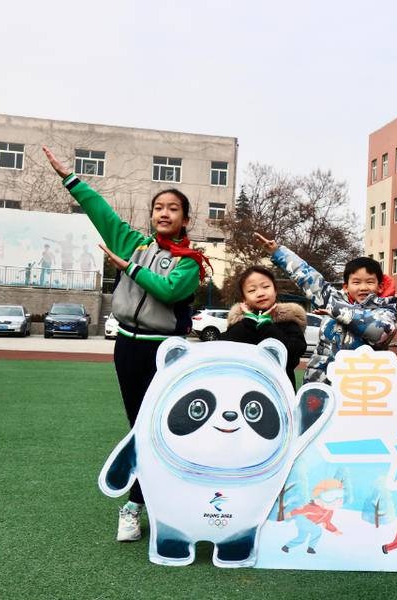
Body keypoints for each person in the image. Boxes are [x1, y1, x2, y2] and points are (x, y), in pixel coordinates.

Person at [42, 146, 209, 543]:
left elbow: (169, 292)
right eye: (158, 208)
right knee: (137, 427)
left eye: (173, 208)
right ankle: (145, 501)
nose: (164, 213)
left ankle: (140, 504)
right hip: (127, 348)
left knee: (159, 429)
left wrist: (128, 268)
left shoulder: (191, 261)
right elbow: (101, 211)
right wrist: (70, 178)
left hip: (164, 351)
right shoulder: (133, 242)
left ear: (185, 219)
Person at [254, 233, 397, 427]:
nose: (363, 287)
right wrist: (278, 252)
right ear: (346, 286)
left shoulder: (386, 310)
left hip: (361, 395)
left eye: (369, 282)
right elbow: (309, 277)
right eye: (356, 282)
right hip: (320, 388)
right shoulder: (334, 300)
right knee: (309, 436)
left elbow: (378, 332)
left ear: (380, 286)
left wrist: (335, 310)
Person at [222, 265, 307, 390]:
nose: (260, 293)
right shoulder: (239, 323)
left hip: (280, 391)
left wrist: (266, 325)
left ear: (275, 290)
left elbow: (294, 353)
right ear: (244, 298)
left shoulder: (290, 320)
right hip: (243, 389)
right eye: (252, 290)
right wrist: (249, 321)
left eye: (266, 287)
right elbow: (223, 349)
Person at [281, 479, 344, 555]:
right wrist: (290, 514)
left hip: (308, 524)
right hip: (303, 520)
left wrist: (334, 530)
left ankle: (286, 546)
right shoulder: (314, 507)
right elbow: (301, 510)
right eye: (329, 497)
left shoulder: (329, 511)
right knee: (317, 530)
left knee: (302, 538)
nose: (335, 501)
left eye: (339, 498)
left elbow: (326, 523)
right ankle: (311, 548)